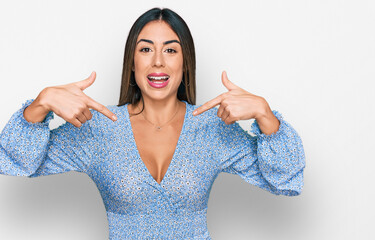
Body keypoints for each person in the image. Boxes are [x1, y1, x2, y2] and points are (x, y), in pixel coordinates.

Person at [0, 7, 305, 240]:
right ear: (132, 62)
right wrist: (39, 106)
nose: (158, 61)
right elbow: (17, 162)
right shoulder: (99, 128)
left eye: (170, 50)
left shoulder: (212, 127)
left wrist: (266, 117)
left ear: (185, 63)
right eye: (145, 49)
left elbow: (285, 179)